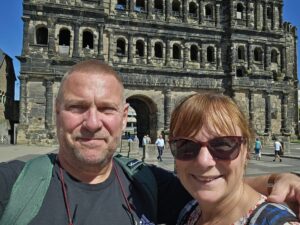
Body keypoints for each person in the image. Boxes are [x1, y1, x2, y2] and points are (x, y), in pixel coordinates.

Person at [1, 60, 300, 225]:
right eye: (77, 107)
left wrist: (279, 180)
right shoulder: (12, 185)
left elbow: (216, 185)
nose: (92, 123)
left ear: (123, 115)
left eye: (225, 145)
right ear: (56, 113)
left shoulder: (145, 182)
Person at [168, 93, 300, 225]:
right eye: (185, 145)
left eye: (222, 145)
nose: (203, 161)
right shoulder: (190, 210)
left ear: (246, 151)